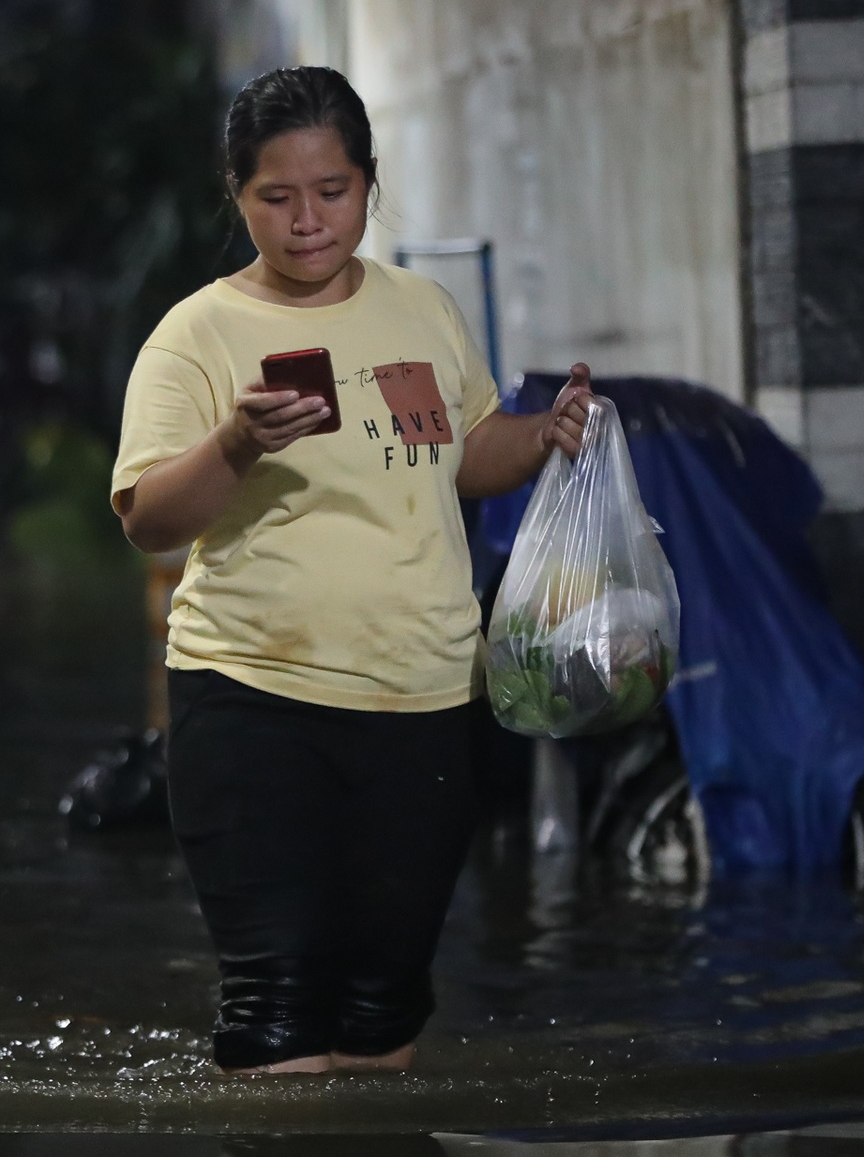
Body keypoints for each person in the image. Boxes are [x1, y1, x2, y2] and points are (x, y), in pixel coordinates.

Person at [111, 66, 593, 1075]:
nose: (306, 221)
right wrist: (236, 443)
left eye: (331, 192)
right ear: (238, 197)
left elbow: (467, 450)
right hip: (252, 699)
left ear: (370, 184)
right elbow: (150, 520)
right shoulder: (197, 335)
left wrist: (542, 435)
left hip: (423, 697)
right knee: (277, 1010)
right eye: (275, 198)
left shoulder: (421, 309)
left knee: (382, 1010)